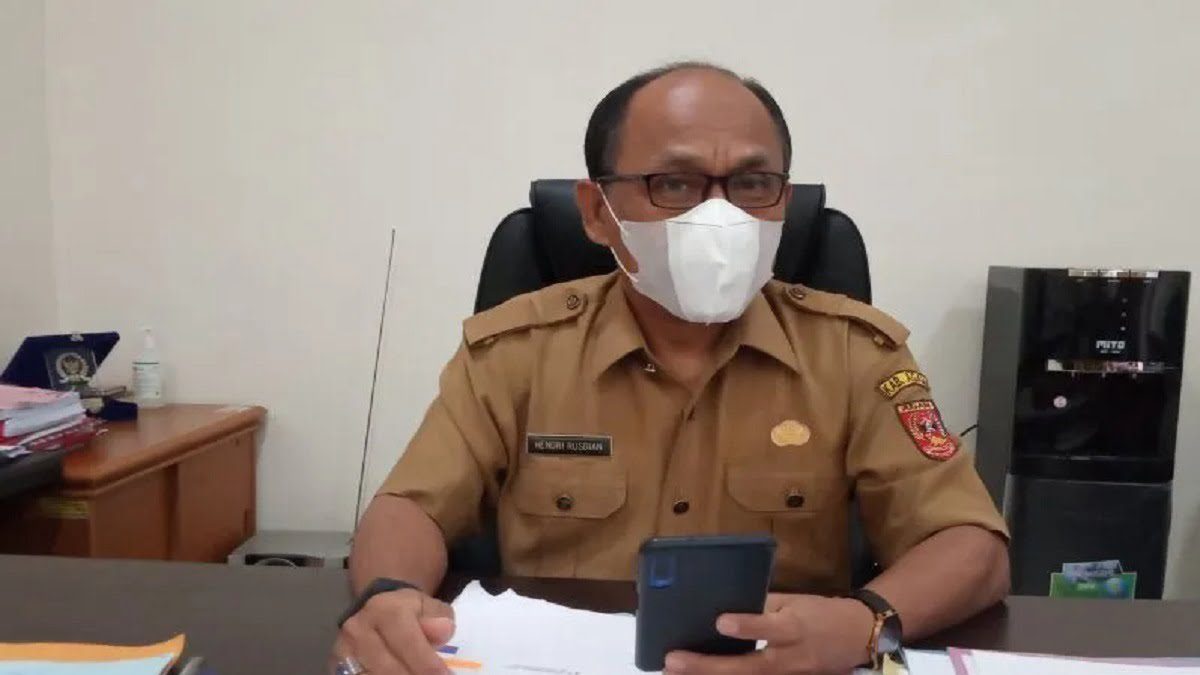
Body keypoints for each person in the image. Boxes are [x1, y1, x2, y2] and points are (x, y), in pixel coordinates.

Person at [332, 62, 1009, 675]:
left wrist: (867, 623)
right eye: (675, 183)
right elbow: (410, 508)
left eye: (752, 183)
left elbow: (969, 542)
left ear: (784, 198)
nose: (721, 214)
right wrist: (388, 597)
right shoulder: (518, 351)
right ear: (596, 212)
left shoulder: (855, 351)